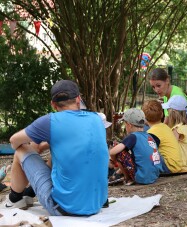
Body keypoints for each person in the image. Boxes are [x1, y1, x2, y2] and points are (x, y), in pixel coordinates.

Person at [0, 80, 108, 216]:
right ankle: (29, 193)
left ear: (53, 105)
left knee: (21, 149)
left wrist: (32, 147)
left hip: (63, 208)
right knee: (58, 153)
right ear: (78, 99)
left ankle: (14, 199)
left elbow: (14, 141)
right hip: (96, 203)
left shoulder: (50, 121)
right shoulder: (96, 119)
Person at [109, 108, 164, 185]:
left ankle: (127, 179)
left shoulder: (133, 136)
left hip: (142, 178)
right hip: (154, 176)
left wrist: (114, 161)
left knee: (120, 153)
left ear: (129, 125)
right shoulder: (150, 136)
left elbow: (112, 152)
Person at [149, 68, 187, 138]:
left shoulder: (177, 96)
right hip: (179, 131)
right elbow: (166, 121)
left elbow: (177, 122)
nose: (156, 90)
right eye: (153, 87)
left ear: (167, 80)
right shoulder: (165, 94)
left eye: (158, 85)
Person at [162, 95, 187, 171]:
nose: (167, 113)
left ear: (173, 113)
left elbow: (171, 148)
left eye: (168, 110)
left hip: (181, 163)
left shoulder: (177, 130)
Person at [142, 100, 182, 173]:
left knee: (144, 148)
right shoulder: (165, 127)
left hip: (168, 167)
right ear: (162, 115)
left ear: (144, 117)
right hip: (176, 165)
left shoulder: (151, 133)